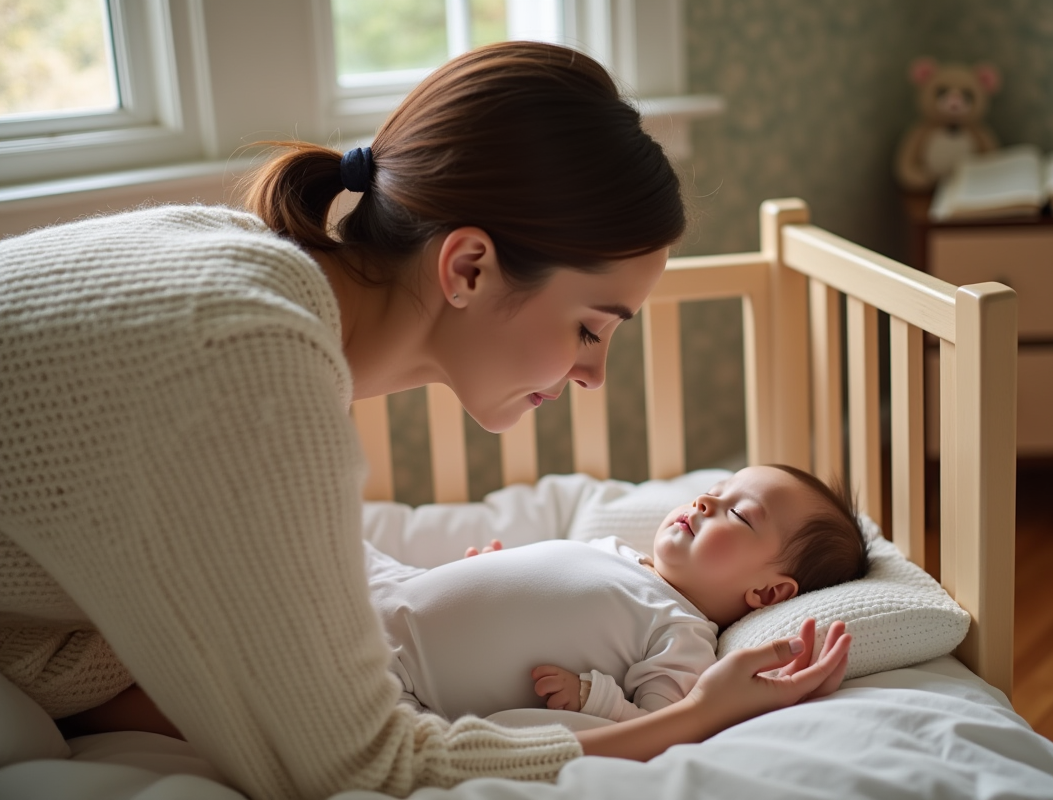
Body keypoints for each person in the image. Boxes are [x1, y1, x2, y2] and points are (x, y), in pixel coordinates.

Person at [0, 40, 852, 800]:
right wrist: (693, 717)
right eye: (591, 327)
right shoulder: (254, 361)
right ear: (470, 266)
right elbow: (364, 772)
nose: (593, 374)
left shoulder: (243, 275)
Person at [364, 464, 867, 723]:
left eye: (738, 513)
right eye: (717, 488)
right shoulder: (617, 551)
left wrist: (594, 696)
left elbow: (657, 723)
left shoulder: (683, 635)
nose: (707, 500)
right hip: (396, 586)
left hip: (407, 678)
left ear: (769, 591)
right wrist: (481, 571)